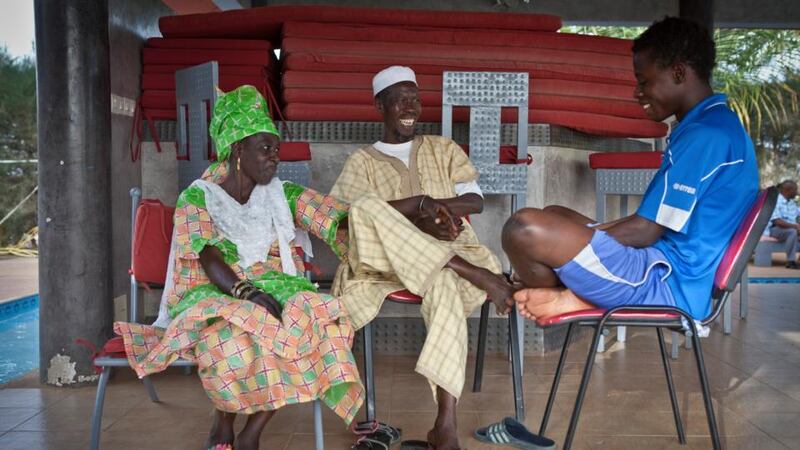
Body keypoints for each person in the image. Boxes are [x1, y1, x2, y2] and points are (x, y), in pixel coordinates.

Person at [114, 86, 364, 450]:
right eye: (265, 148)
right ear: (236, 150)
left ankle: (251, 434)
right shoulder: (198, 196)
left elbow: (336, 215)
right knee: (231, 341)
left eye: (276, 149)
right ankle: (223, 422)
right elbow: (208, 255)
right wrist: (247, 293)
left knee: (320, 322)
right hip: (212, 289)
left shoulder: (281, 193)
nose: (274, 158)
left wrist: (410, 210)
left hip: (272, 283)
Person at [501, 17, 759, 324]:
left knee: (523, 228)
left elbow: (645, 230)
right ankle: (568, 289)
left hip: (666, 284)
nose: (637, 93)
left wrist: (570, 247)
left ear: (678, 73)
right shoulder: (714, 124)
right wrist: (578, 241)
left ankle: (569, 295)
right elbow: (650, 223)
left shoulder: (706, 135)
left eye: (644, 81)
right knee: (556, 214)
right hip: (663, 267)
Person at [330, 66, 514, 450]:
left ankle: (444, 423)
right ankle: (469, 272)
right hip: (387, 267)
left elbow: (474, 200)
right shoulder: (361, 161)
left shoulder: (444, 148)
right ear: (380, 105)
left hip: (454, 250)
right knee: (363, 207)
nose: (411, 106)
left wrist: (435, 216)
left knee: (442, 280)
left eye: (415, 98)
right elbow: (345, 222)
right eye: (401, 98)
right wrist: (419, 211)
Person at [767, 179, 799, 268]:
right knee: (792, 232)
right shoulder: (775, 201)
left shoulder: (792, 203)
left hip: (791, 228)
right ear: (787, 190)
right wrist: (796, 226)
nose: (797, 192)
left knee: (793, 231)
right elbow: (777, 222)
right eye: (795, 190)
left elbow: (797, 216)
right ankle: (790, 261)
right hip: (775, 230)